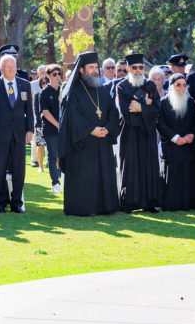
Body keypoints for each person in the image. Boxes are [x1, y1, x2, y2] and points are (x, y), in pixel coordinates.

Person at [58, 52, 120, 216]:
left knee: (103, 175)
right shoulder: (72, 91)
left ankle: (105, 207)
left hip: (103, 141)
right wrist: (91, 129)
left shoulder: (103, 90)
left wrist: (108, 128)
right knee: (85, 177)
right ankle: (84, 208)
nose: (94, 71)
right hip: (82, 143)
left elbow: (114, 112)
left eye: (96, 67)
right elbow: (72, 116)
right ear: (81, 69)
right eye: (90, 67)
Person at [0, 54, 33, 213]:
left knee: (19, 170)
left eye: (14, 66)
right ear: (1, 69)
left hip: (19, 134)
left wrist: (30, 130)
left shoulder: (25, 84)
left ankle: (16, 203)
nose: (12, 70)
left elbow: (29, 111)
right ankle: (1, 202)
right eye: (8, 67)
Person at [114, 54, 161, 212]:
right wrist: (146, 105)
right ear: (128, 69)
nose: (138, 70)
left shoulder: (150, 85)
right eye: (134, 68)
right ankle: (130, 203)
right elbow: (126, 112)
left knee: (149, 167)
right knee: (131, 167)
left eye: (141, 67)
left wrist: (140, 107)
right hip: (130, 133)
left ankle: (150, 203)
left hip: (148, 133)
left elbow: (157, 109)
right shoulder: (121, 87)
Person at [157, 73, 195, 211]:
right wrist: (176, 138)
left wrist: (192, 135)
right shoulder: (163, 102)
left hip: (188, 146)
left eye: (184, 85)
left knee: (190, 173)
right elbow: (160, 124)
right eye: (178, 85)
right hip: (172, 146)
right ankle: (173, 203)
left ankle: (192, 203)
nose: (182, 88)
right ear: (172, 86)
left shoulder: (190, 102)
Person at [38, 64, 62, 193]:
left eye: (59, 74)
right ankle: (55, 182)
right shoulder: (44, 92)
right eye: (54, 74)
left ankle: (63, 178)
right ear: (48, 76)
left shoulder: (63, 90)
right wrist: (58, 125)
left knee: (64, 155)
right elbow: (45, 112)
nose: (57, 76)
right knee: (53, 155)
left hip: (64, 129)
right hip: (50, 129)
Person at [30, 64, 48, 170]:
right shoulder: (32, 85)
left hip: (48, 117)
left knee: (48, 140)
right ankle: (35, 160)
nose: (44, 74)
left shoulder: (51, 84)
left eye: (45, 72)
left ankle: (48, 161)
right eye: (42, 72)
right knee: (35, 140)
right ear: (37, 74)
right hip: (34, 116)